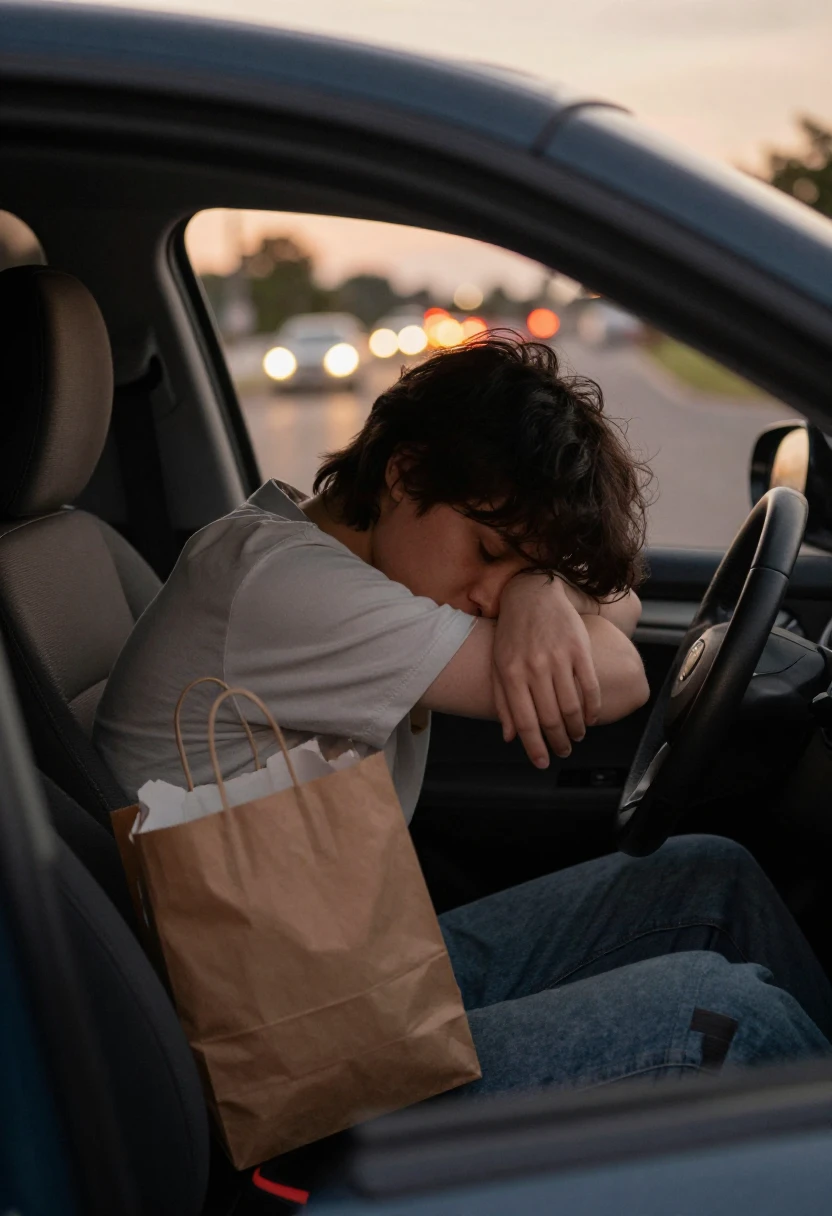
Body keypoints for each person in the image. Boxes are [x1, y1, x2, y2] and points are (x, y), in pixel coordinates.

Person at [94, 334, 832, 1092]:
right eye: (485, 549)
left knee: (712, 876)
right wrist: (530, 587)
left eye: (521, 563)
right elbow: (618, 677)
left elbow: (624, 601)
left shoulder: (326, 548)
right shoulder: (282, 587)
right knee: (731, 1019)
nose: (487, 592)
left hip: (355, 972)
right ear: (404, 472)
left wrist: (532, 584)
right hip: (294, 1062)